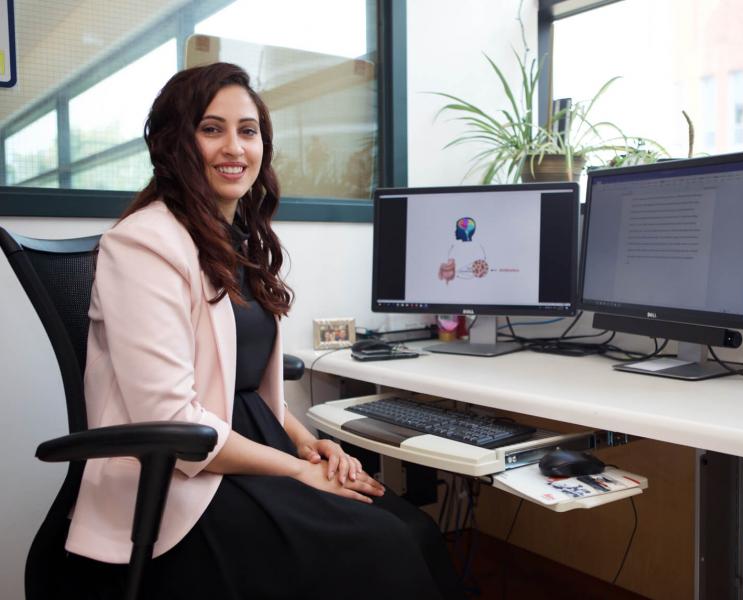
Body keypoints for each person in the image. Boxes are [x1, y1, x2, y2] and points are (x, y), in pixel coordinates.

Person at [65, 62, 464, 599]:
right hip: (181, 484)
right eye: (212, 129)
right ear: (175, 145)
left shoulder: (236, 243)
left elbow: (244, 387)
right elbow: (174, 419)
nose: (234, 147)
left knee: (415, 531)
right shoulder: (144, 244)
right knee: (381, 547)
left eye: (247, 131)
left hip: (249, 450)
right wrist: (296, 473)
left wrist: (311, 446)